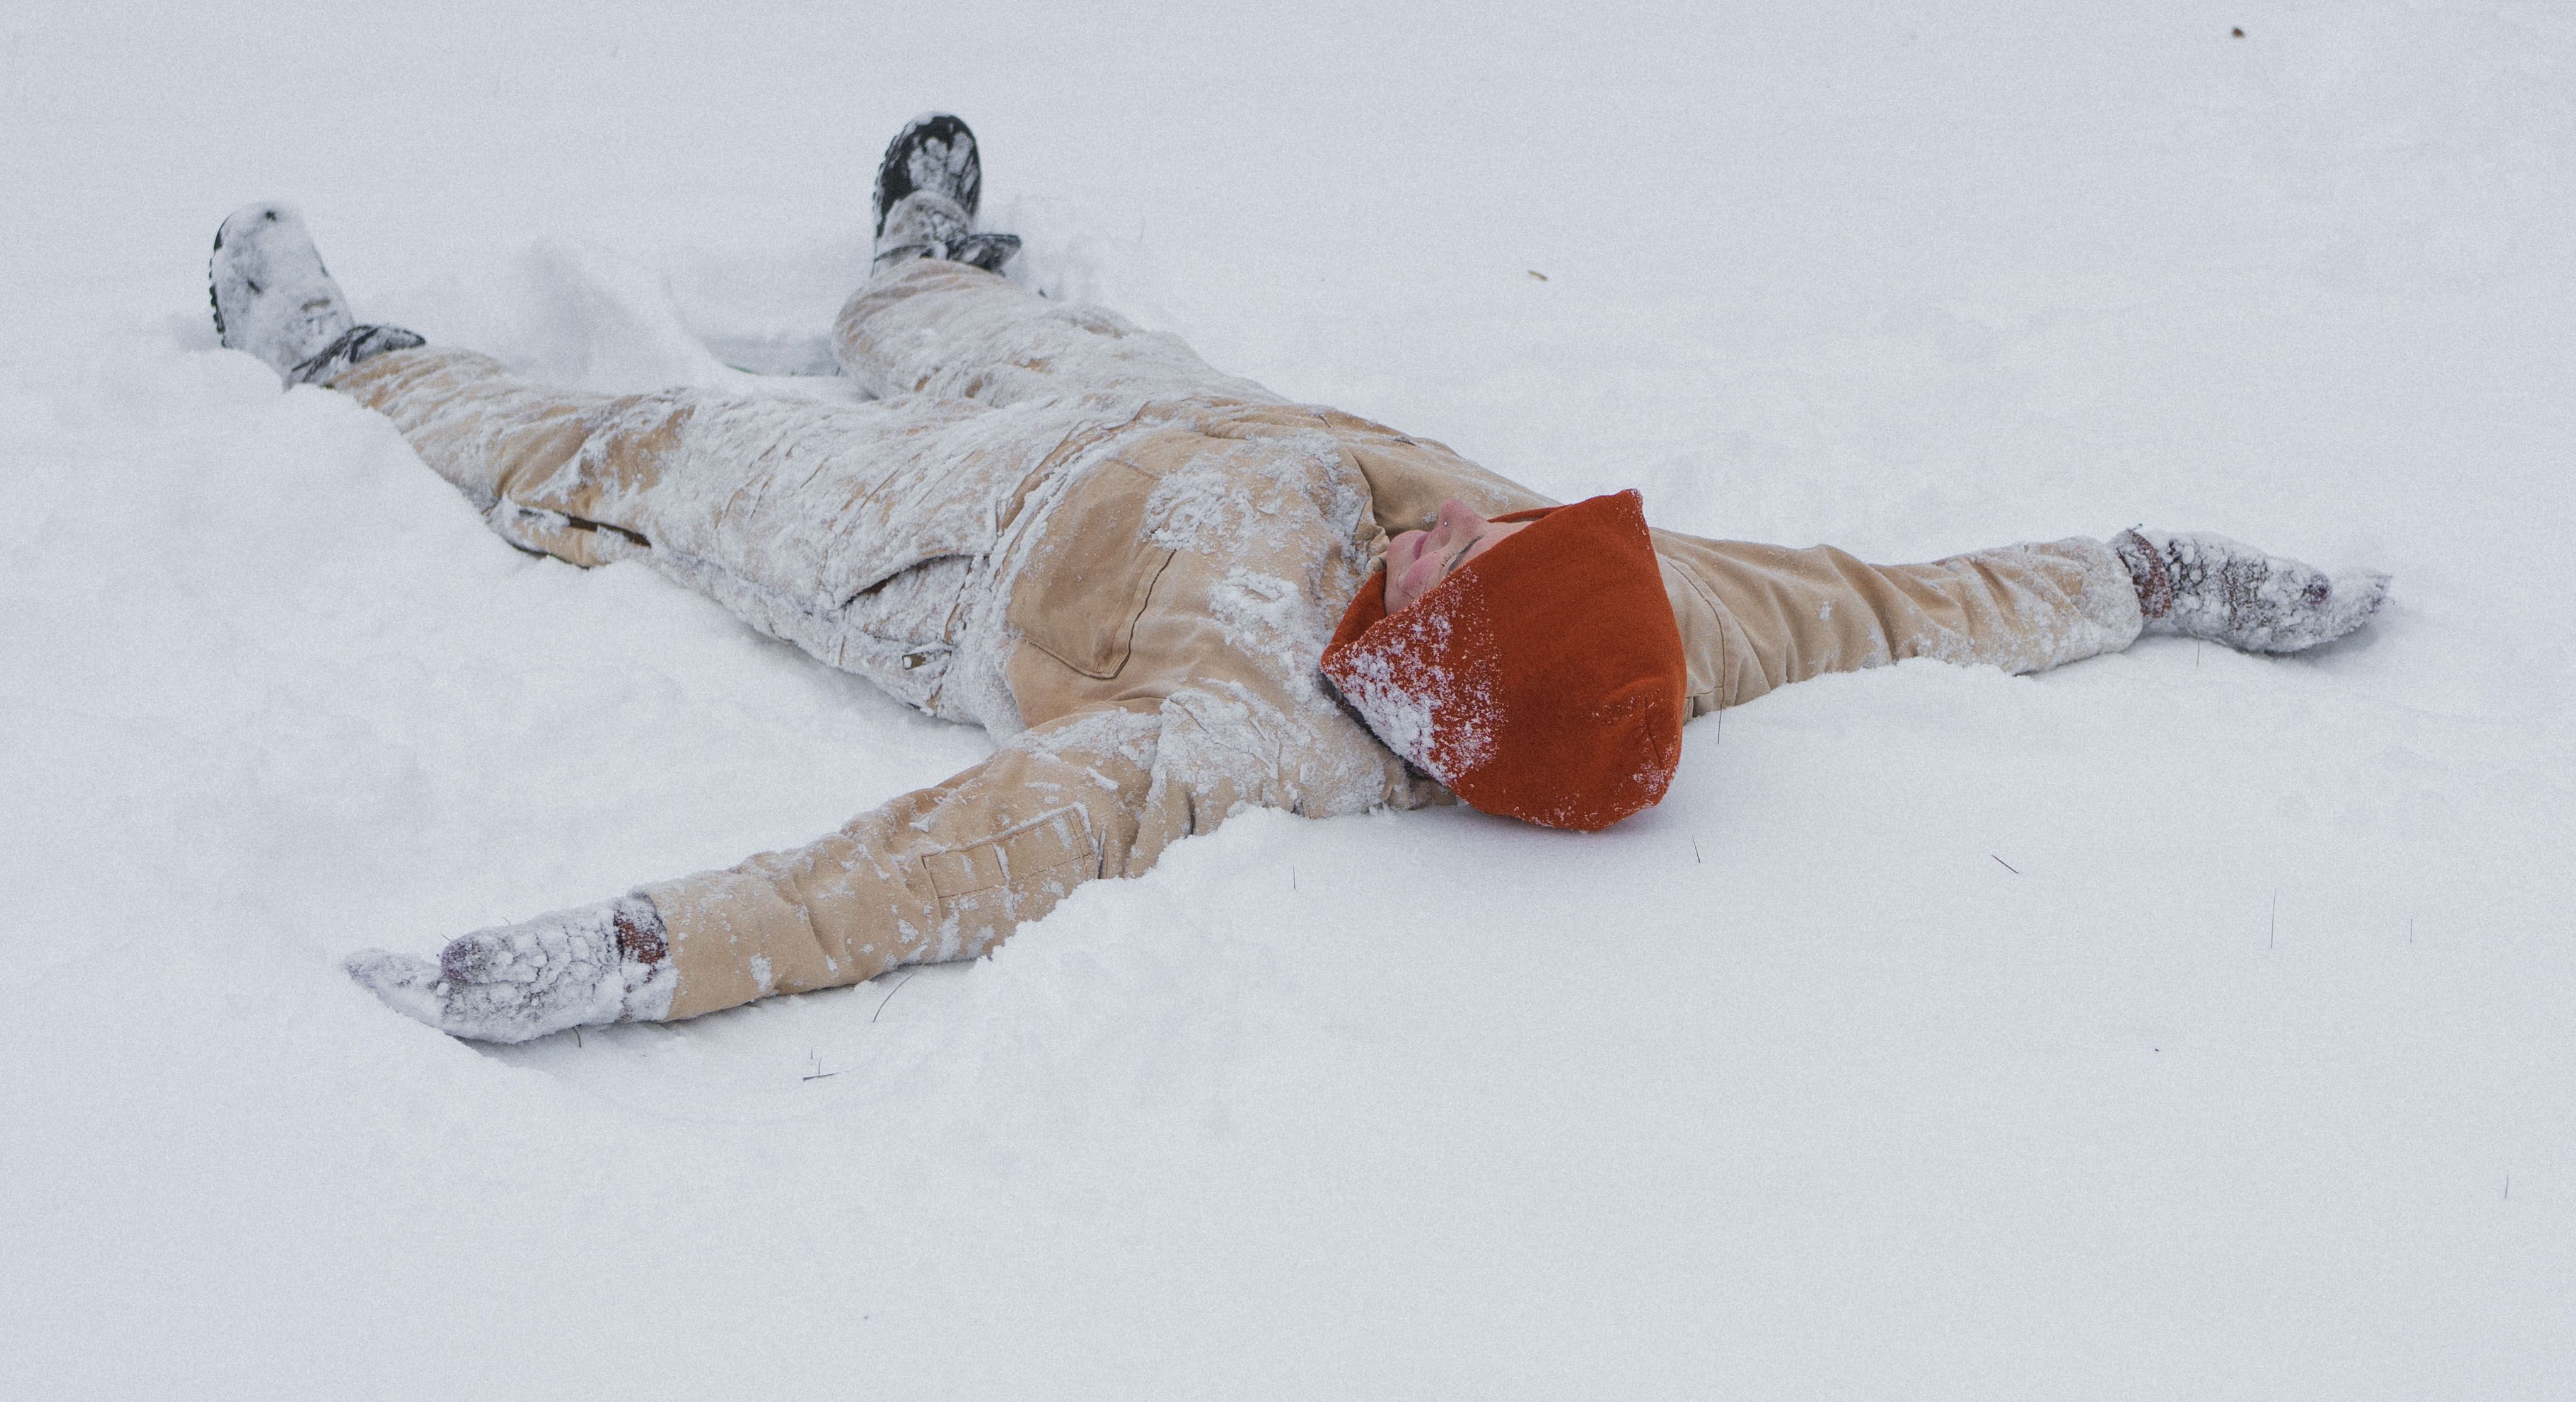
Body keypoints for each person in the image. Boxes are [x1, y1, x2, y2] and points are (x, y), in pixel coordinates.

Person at [209, 116, 2387, 1045]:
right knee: (957, 326)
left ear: (1432, 665)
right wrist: (2146, 567)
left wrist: (626, 950)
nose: (1476, 515)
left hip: (925, 557)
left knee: (659, 456)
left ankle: (356, 364)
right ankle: (914, 275)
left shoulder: (1240, 738)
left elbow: (930, 862)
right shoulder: (1647, 616)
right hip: (1158, 405)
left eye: (1467, 558)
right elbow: (1900, 602)